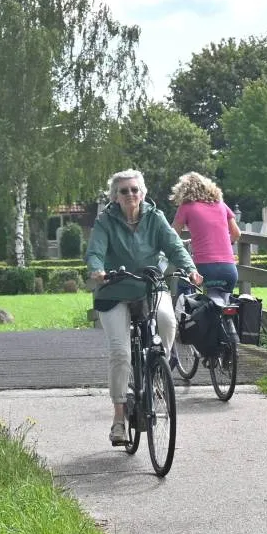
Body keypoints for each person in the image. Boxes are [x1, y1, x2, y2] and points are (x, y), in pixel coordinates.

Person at [87, 169, 200, 445]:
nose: (130, 195)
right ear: (115, 196)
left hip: (150, 286)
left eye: (134, 190)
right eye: (124, 191)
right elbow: (95, 251)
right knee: (120, 353)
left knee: (168, 320)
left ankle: (160, 367)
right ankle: (118, 419)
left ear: (143, 193)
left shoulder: (155, 217)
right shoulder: (105, 221)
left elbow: (175, 247)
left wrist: (190, 269)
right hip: (114, 290)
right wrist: (98, 270)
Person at [170, 171, 242, 296]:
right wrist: (223, 244)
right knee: (224, 304)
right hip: (229, 269)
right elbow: (236, 234)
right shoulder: (222, 205)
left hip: (204, 268)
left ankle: (186, 313)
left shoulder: (186, 207)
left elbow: (171, 235)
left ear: (184, 191)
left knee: (183, 285)